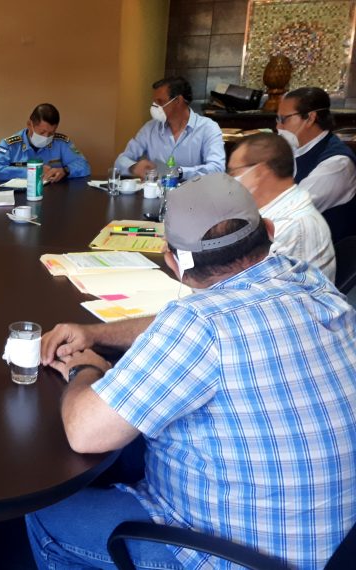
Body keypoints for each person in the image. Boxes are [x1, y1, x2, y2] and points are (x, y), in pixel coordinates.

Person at [26, 173, 356, 569]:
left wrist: (85, 368)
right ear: (269, 230)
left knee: (47, 512)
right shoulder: (308, 280)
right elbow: (191, 322)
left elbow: (85, 433)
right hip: (331, 543)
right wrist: (97, 334)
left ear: (173, 262)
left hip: (240, 556)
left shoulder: (199, 325)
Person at [228, 132, 336, 280]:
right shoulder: (269, 210)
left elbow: (245, 284)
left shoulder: (291, 225)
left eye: (233, 172)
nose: (229, 180)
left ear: (259, 173)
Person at [115, 76, 225, 180]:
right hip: (154, 192)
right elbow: (120, 161)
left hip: (193, 192)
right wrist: (134, 167)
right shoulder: (149, 129)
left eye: (160, 102)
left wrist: (179, 172)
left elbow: (217, 168)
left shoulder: (208, 128)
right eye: (154, 102)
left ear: (178, 100)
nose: (154, 107)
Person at [0, 103, 90, 183]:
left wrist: (66, 170)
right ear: (29, 125)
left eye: (51, 133)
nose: (46, 137)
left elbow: (84, 165)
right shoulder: (11, 145)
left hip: (54, 196)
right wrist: (31, 171)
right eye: (42, 132)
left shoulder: (61, 142)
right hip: (20, 198)